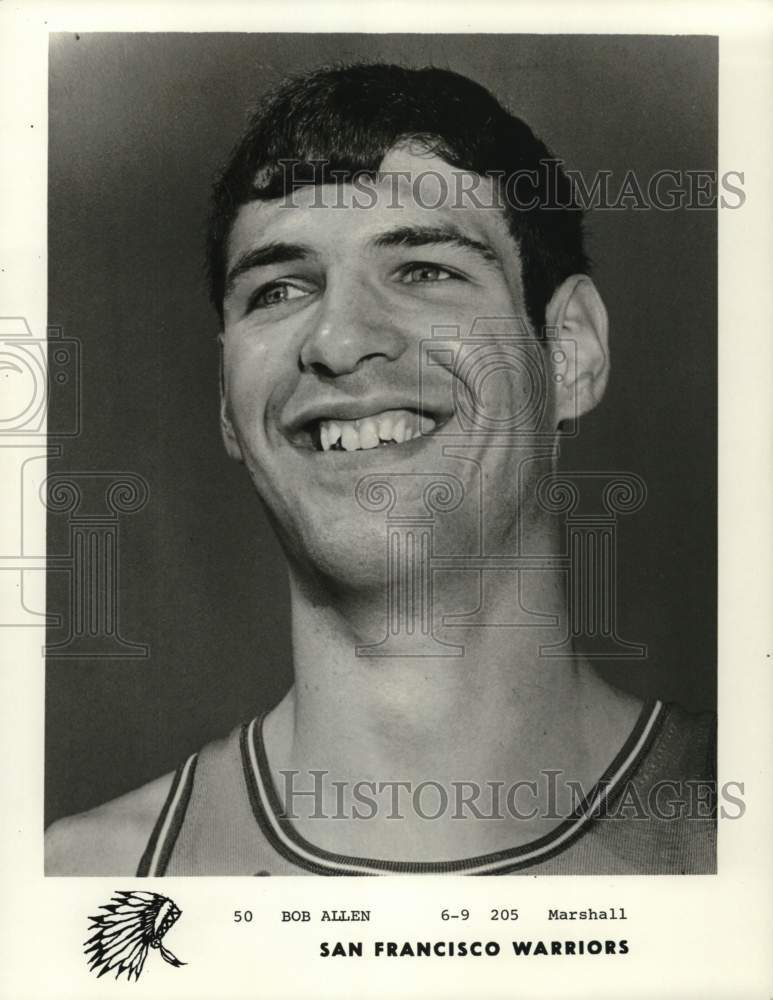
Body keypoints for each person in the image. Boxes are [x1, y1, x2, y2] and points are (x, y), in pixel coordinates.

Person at [45, 63, 715, 876]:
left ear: (568, 352)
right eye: (278, 289)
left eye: (425, 271)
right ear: (228, 399)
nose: (336, 339)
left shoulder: (743, 847)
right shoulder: (79, 892)